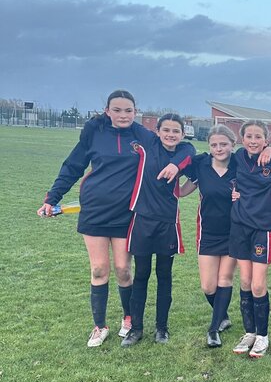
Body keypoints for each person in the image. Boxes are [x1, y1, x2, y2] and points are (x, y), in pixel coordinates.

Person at [38, 90, 184, 347]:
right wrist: (53, 197)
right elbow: (73, 166)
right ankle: (99, 325)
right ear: (107, 111)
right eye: (117, 110)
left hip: (127, 214)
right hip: (94, 210)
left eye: (128, 110)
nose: (123, 115)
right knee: (98, 269)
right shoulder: (94, 132)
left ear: (135, 111)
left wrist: (178, 165)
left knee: (123, 270)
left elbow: (181, 146)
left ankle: (128, 319)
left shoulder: (143, 136)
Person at [121, 113, 195, 346]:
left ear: (182, 134)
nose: (171, 135)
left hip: (167, 223)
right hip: (142, 220)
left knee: (164, 276)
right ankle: (136, 329)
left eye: (176, 131)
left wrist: (180, 182)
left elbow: (194, 162)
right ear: (158, 131)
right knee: (141, 274)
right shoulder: (149, 145)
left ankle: (162, 329)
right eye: (166, 130)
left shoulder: (185, 152)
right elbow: (127, 121)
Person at [230, 120, 271, 358]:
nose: (253, 141)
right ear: (242, 138)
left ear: (266, 139)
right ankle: (250, 332)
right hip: (239, 226)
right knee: (245, 282)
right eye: (249, 137)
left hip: (263, 228)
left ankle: (263, 336)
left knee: (258, 284)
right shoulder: (237, 158)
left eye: (258, 137)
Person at [179, 125, 238, 348]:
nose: (219, 148)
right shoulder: (201, 165)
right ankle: (222, 316)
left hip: (235, 232)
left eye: (223, 144)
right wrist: (165, 177)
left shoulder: (240, 164)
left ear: (232, 144)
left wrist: (269, 149)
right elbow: (182, 191)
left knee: (225, 280)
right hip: (208, 233)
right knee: (208, 286)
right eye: (214, 144)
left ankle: (214, 329)